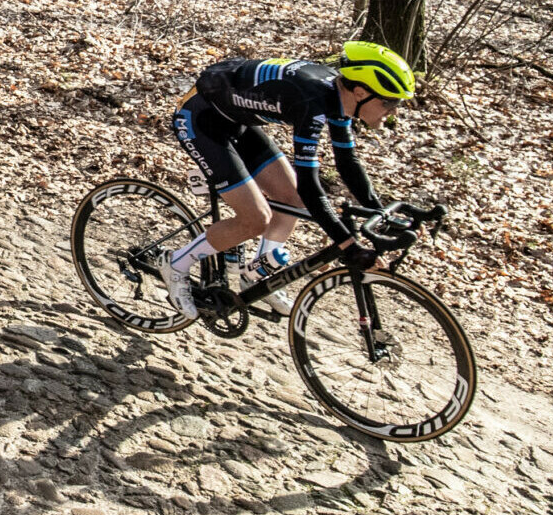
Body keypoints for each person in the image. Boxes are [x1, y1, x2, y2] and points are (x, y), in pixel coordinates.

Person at [157, 42, 415, 320]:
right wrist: (347, 245)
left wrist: (376, 210)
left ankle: (256, 277)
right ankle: (175, 263)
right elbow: (311, 186)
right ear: (361, 92)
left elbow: (347, 163)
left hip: (236, 118)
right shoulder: (312, 102)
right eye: (389, 102)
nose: (394, 112)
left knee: (293, 199)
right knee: (255, 219)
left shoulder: (339, 96)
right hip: (201, 119)